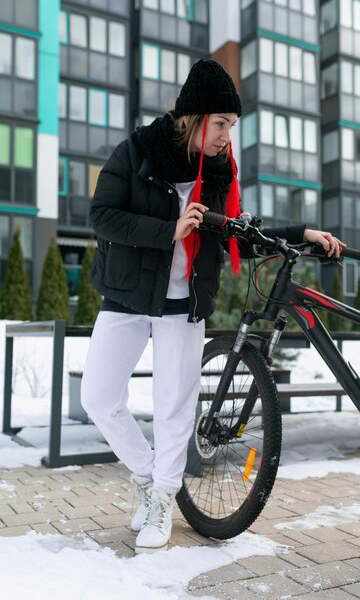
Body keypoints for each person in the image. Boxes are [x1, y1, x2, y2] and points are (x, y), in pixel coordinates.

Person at [81, 59, 344, 554]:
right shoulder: (137, 151)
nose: (227, 135)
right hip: (127, 296)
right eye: (221, 124)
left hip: (184, 303)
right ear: (194, 118)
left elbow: (238, 230)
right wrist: (169, 230)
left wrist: (302, 233)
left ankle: (162, 495)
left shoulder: (218, 171)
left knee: (175, 407)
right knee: (98, 398)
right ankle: (146, 474)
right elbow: (102, 216)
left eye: (232, 125)